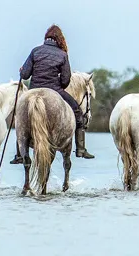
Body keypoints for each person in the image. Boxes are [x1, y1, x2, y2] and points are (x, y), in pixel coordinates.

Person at [9, 25, 94, 164]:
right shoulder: (62, 55)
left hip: (33, 90)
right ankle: (81, 149)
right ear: (60, 40)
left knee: (19, 114)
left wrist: (22, 71)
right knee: (77, 112)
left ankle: (19, 154)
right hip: (55, 89)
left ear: (46, 38)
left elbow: (25, 75)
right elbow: (66, 81)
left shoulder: (35, 51)